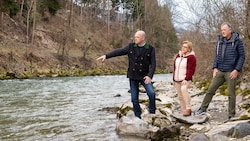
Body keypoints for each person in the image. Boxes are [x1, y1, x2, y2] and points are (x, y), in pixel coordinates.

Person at [96, 30, 156, 119]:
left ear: (143, 38)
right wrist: (106, 56)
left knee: (151, 93)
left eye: (137, 37)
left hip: (144, 76)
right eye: (135, 37)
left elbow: (153, 64)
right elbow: (119, 51)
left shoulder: (150, 48)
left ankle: (152, 112)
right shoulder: (131, 46)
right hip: (133, 76)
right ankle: (137, 116)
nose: (135, 38)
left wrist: (149, 76)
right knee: (134, 99)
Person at [195, 22, 245, 120]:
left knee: (231, 94)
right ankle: (203, 108)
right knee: (210, 90)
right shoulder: (220, 42)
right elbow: (217, 56)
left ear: (230, 30)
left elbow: (242, 56)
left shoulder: (237, 41)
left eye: (224, 30)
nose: (223, 32)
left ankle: (231, 114)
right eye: (222, 30)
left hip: (231, 71)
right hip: (220, 71)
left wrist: (236, 70)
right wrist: (214, 68)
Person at [173, 41, 196, 116]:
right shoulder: (178, 56)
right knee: (180, 96)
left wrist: (186, 79)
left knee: (183, 89)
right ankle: (184, 111)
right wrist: (173, 79)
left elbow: (191, 69)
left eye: (185, 47)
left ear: (189, 49)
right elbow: (175, 68)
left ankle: (188, 108)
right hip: (177, 79)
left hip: (186, 79)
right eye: (183, 46)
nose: (183, 48)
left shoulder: (191, 57)